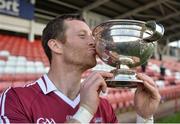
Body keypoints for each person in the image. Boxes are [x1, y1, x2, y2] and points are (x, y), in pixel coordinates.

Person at [0, 14, 161, 123]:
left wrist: (144, 117)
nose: (93, 42)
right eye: (83, 36)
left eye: (92, 36)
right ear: (56, 45)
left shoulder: (103, 106)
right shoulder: (17, 99)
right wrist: (85, 111)